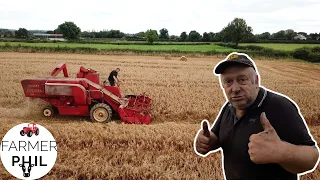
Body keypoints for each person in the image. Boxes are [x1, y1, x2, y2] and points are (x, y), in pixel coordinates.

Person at [194, 52, 319, 180]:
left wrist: (281, 152)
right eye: (228, 82)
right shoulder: (229, 107)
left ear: (256, 81)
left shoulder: (280, 107)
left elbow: (312, 156)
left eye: (242, 80)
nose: (235, 88)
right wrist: (206, 142)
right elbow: (217, 138)